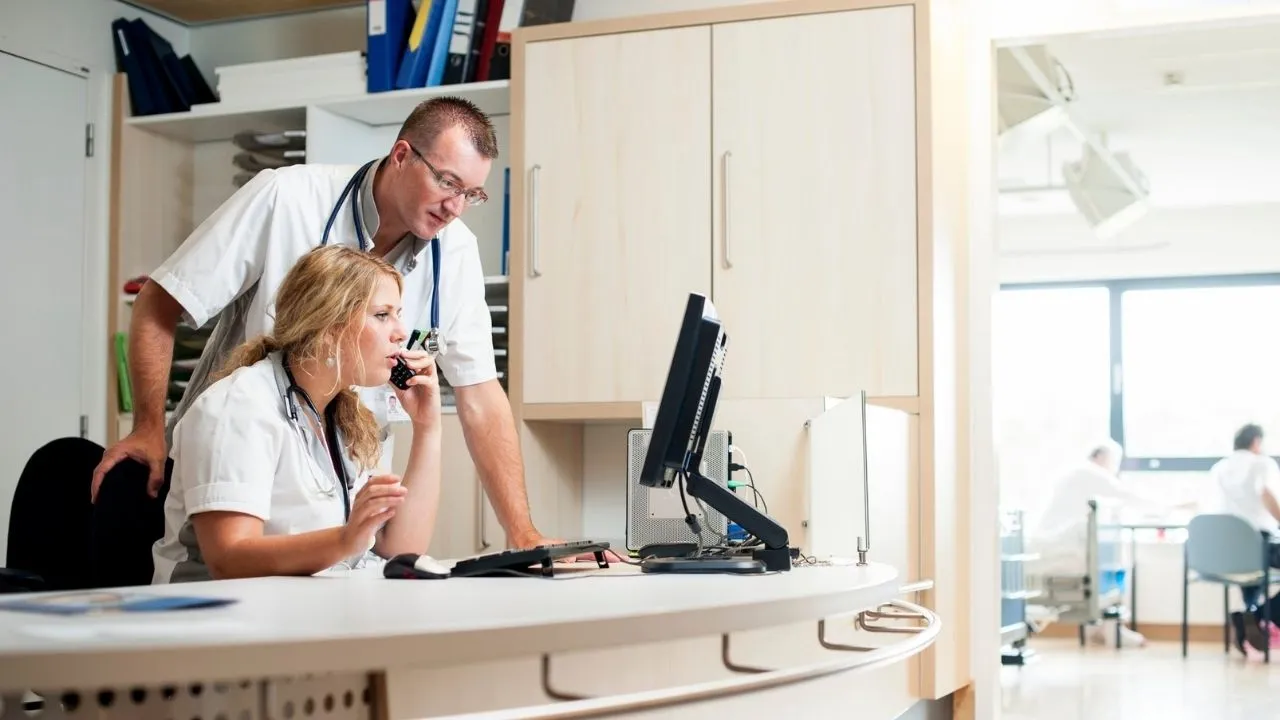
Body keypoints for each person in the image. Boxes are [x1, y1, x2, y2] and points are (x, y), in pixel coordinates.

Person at [93, 96, 556, 551]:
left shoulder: (455, 250)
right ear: (401, 155)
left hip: (344, 488)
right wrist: (148, 425)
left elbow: (481, 396)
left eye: (471, 194)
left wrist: (524, 535)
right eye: (447, 183)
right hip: (243, 474)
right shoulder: (287, 198)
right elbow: (160, 301)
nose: (455, 207)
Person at [152, 245, 440, 582]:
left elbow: (400, 548)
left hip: (312, 603)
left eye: (398, 314)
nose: (401, 332)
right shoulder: (238, 405)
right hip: (224, 609)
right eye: (382, 315)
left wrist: (427, 426)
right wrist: (344, 540)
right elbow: (228, 559)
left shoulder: (341, 413)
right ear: (328, 324)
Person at [1027, 439, 1177, 648]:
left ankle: (1108, 630)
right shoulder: (1089, 472)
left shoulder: (1074, 473)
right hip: (1061, 546)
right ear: (1100, 457)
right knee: (1118, 564)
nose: (1114, 469)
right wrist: (1172, 507)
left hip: (1051, 543)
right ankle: (1111, 630)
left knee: (1115, 560)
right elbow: (1128, 496)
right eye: (1113, 462)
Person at [1207, 423, 1280, 655]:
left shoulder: (1220, 467)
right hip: (1258, 542)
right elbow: (1265, 492)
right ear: (1256, 442)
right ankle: (1257, 615)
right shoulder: (1261, 463)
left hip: (1224, 546)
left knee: (1251, 572)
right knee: (1258, 561)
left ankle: (1250, 615)